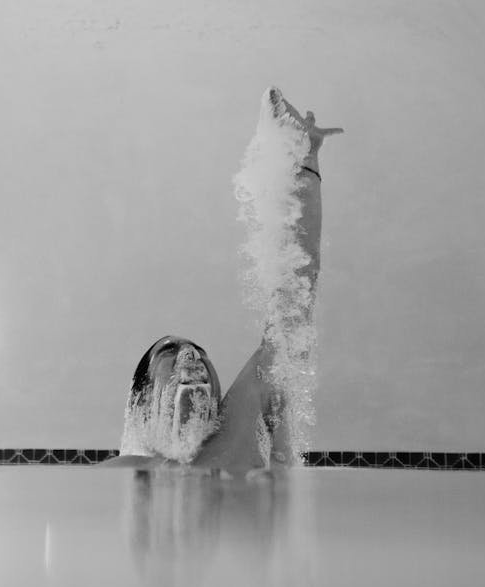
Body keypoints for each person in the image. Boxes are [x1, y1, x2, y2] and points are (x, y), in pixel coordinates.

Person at [104, 87, 343, 473]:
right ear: (142, 398)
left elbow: (295, 293)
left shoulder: (238, 436)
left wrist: (305, 162)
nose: (190, 356)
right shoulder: (124, 474)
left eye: (197, 353)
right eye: (170, 354)